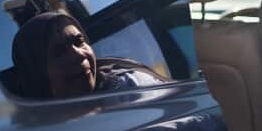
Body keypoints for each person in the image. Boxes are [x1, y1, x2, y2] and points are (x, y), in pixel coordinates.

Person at [10, 11, 165, 99]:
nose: (78, 55)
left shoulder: (131, 86)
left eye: (79, 41)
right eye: (58, 52)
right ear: (36, 74)